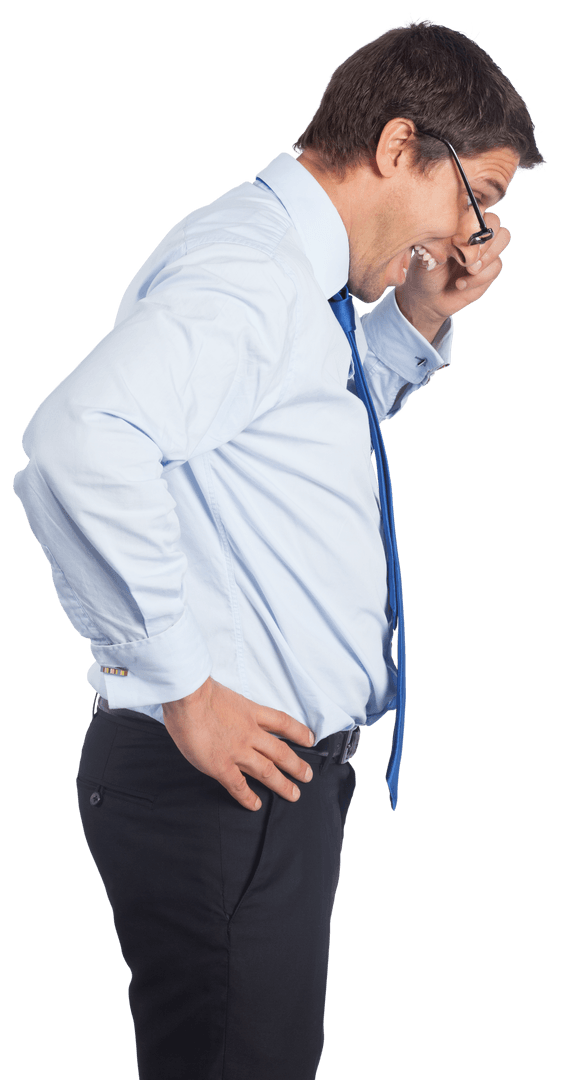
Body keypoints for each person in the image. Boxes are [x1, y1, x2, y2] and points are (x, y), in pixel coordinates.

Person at [13, 17, 544, 1080]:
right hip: (215, 779)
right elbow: (77, 441)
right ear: (399, 147)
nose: (466, 238)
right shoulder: (250, 275)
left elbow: (294, 438)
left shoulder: (299, 280)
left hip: (259, 793)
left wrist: (417, 320)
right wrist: (181, 685)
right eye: (472, 198)